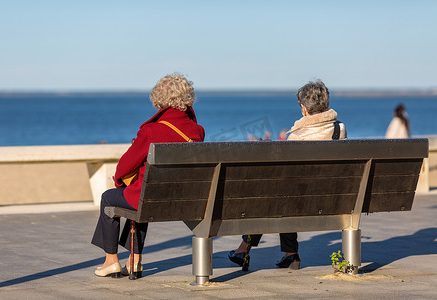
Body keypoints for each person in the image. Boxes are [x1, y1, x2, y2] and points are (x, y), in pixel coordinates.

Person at [91, 73, 205, 278]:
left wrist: (119, 182)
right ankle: (135, 260)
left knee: (110, 198)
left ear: (159, 98)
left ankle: (111, 261)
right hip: (183, 199)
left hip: (151, 198)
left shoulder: (152, 130)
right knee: (143, 194)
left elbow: (124, 168)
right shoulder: (197, 131)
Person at [228, 79, 346, 269]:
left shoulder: (298, 135)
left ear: (304, 109)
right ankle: (287, 253)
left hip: (301, 201)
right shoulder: (339, 129)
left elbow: (285, 174)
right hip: (332, 197)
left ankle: (246, 248)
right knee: (283, 195)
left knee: (274, 196)